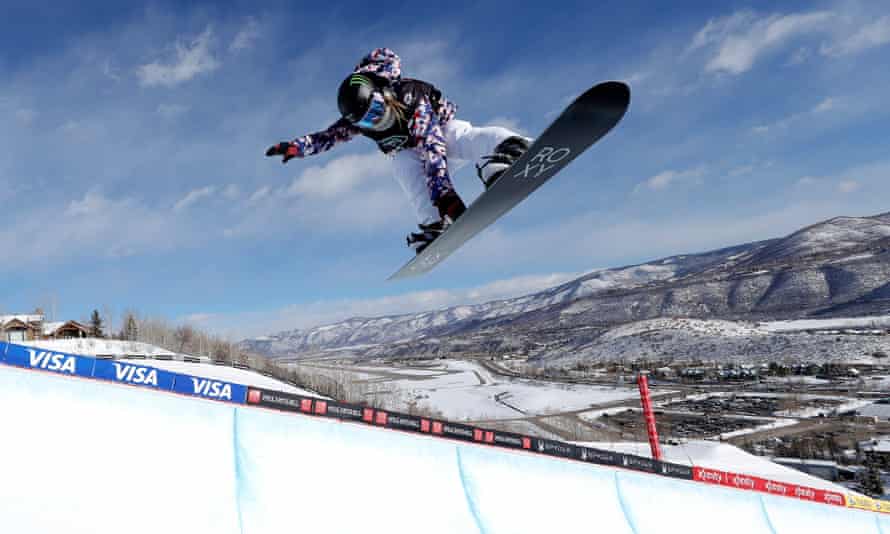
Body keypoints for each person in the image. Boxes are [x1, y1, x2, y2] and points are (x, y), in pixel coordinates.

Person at [266, 48, 530, 253]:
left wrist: (445, 194)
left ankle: (508, 147)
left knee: (462, 137)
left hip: (437, 134)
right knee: (403, 166)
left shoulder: (409, 96)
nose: (376, 121)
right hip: (411, 152)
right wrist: (296, 148)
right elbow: (328, 137)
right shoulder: (359, 123)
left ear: (384, 94)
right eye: (367, 121)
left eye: (377, 112)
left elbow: (432, 145)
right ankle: (434, 222)